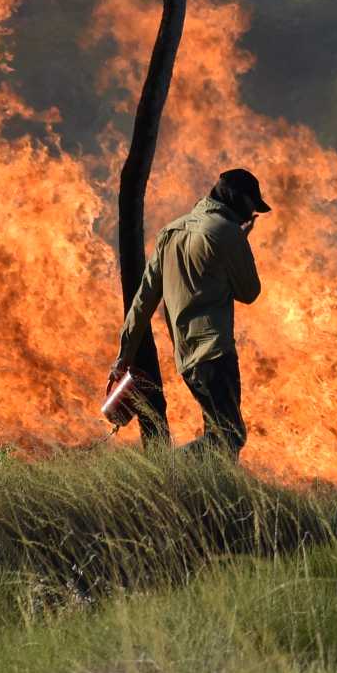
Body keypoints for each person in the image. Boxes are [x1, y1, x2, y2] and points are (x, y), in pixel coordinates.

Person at [107, 167, 267, 456]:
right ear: (233, 198)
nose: (250, 215)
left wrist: (123, 357)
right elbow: (249, 293)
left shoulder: (171, 232)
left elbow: (142, 301)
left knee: (219, 435)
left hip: (187, 358)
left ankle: (201, 495)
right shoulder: (227, 233)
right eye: (250, 206)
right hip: (215, 354)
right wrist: (241, 242)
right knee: (229, 438)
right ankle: (168, 471)